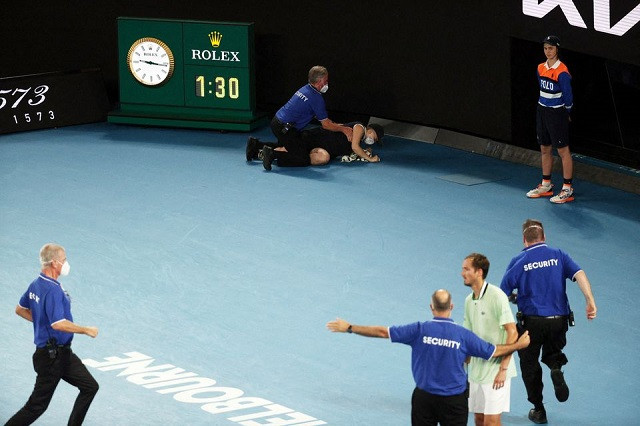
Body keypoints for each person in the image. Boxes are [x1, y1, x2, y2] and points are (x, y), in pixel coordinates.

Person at [326, 289, 531, 426]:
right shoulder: (463, 336)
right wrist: (518, 345)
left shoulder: (419, 330)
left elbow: (382, 332)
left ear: (432, 308)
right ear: (451, 307)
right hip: (455, 402)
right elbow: (494, 351)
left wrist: (350, 328)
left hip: (424, 399)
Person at [500, 219, 597, 424]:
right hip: (559, 321)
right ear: (544, 237)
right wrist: (590, 300)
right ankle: (555, 368)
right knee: (553, 352)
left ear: (524, 240)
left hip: (531, 324)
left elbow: (502, 294)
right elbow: (579, 274)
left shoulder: (519, 260)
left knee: (529, 363)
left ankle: (539, 409)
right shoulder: (559, 255)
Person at [6, 243, 100, 426]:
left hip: (63, 354)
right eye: (64, 260)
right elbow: (58, 324)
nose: (66, 263)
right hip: (50, 359)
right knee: (36, 406)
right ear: (55, 263)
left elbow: (20, 309)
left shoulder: (36, 284)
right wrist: (86, 329)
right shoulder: (53, 289)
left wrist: (41, 321)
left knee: (90, 387)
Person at [246, 65, 353, 170]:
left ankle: (255, 145)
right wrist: (345, 129)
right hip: (285, 128)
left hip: (277, 122)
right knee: (302, 158)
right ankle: (272, 155)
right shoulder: (316, 98)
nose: (327, 83)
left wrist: (335, 125)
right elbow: (326, 125)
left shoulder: (305, 89)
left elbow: (321, 118)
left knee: (291, 146)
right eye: (325, 80)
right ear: (319, 81)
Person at [462, 253, 518, 426]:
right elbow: (468, 338)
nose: (462, 273)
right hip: (477, 372)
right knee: (479, 419)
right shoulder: (469, 301)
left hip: (496, 372)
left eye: (466, 269)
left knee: (491, 423)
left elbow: (513, 332)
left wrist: (503, 368)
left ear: (479, 272)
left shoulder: (497, 295)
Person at [526, 35, 575, 204]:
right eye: (546, 48)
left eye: (551, 48)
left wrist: (566, 112)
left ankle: (567, 188)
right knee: (545, 148)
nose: (548, 51)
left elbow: (568, 97)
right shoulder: (540, 68)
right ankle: (546, 184)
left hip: (557, 113)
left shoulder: (562, 72)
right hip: (542, 110)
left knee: (563, 151)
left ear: (557, 50)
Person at [246, 121, 384, 168]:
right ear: (370, 129)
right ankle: (265, 153)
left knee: (321, 158)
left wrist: (365, 150)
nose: (373, 140)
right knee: (299, 155)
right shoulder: (360, 127)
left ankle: (257, 146)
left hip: (319, 146)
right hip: (315, 138)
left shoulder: (359, 140)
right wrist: (369, 158)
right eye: (375, 137)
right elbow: (355, 147)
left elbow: (354, 147)